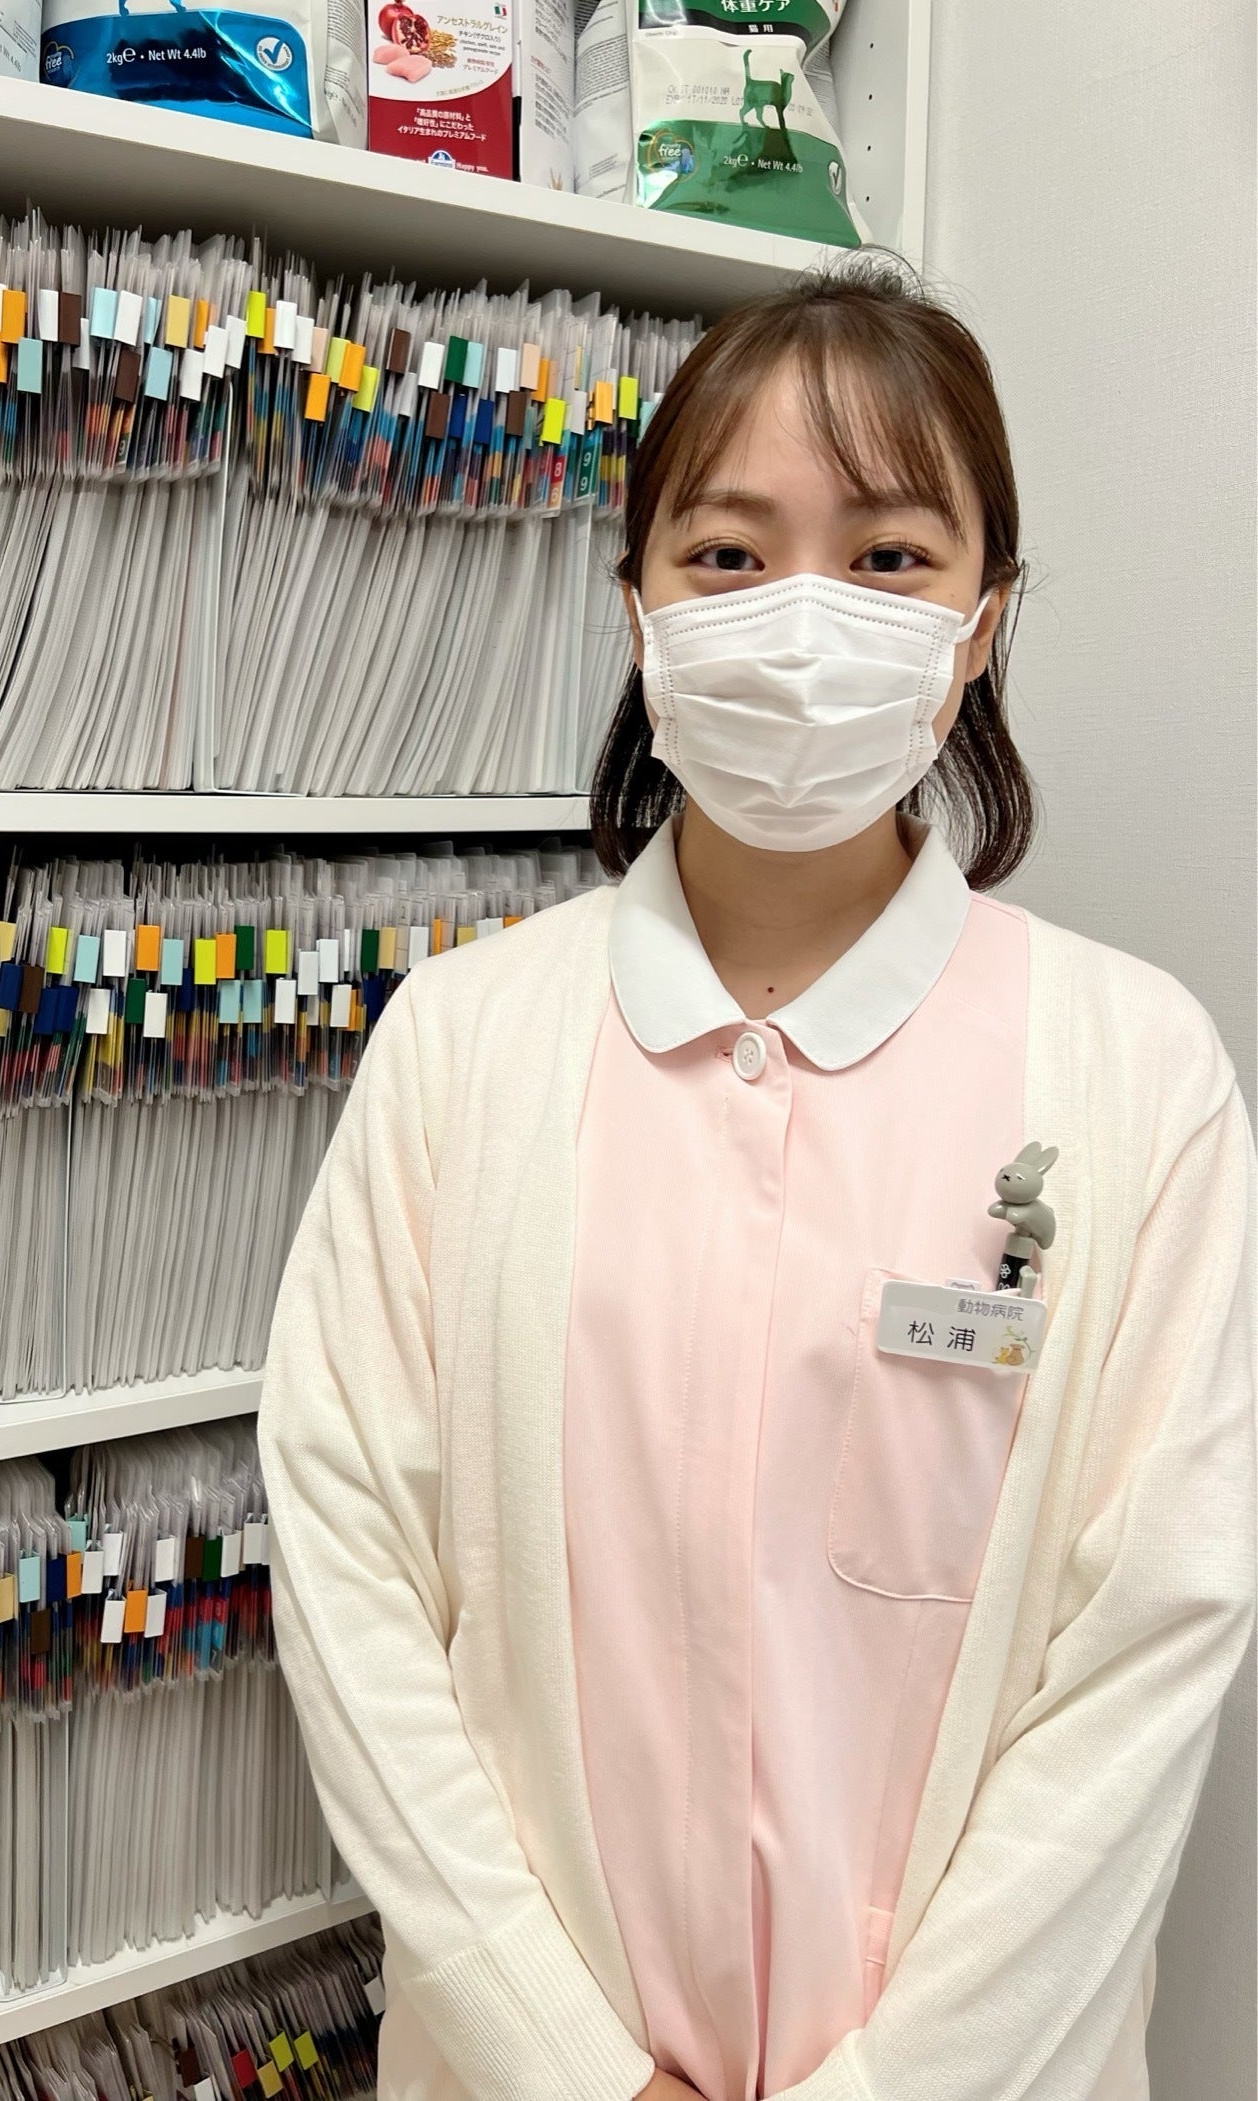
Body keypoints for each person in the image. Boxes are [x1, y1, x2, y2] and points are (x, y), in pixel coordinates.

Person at [257, 260, 1256, 2101]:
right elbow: (348, 1577)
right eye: (726, 553)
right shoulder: (462, 1044)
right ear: (637, 607)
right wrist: (576, 2066)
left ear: (981, 622)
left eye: (887, 557)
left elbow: (1145, 1651)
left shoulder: (1138, 1073)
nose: (802, 616)